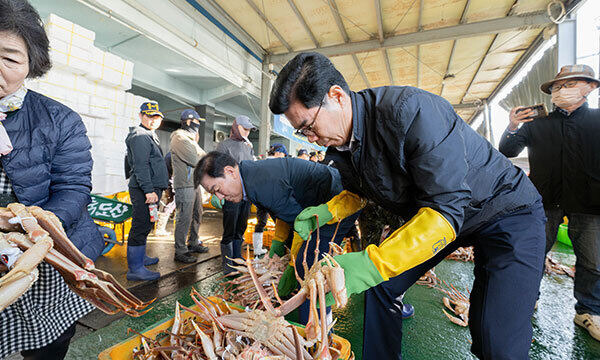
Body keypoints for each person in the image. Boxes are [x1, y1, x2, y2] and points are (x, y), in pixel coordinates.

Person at [269, 52, 546, 359]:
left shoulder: (410, 112)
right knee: (381, 286)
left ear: (336, 96)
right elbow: (363, 191)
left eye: (308, 126)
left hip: (503, 210)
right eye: (300, 132)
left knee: (495, 338)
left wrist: (373, 263)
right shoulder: (338, 146)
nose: (310, 138)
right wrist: (331, 210)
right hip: (437, 216)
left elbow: (447, 207)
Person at [0, 1, 104, 358]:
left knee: (49, 344)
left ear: (32, 64)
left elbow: (74, 187)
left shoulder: (60, 119)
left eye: (10, 59)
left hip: (46, 257)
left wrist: (45, 230)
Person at [194, 151, 360, 324]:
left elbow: (300, 226)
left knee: (310, 267)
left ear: (230, 171)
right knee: (300, 262)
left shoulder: (260, 183)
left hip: (337, 199)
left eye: (217, 189)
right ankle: (299, 307)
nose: (220, 197)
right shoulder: (251, 178)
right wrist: (278, 242)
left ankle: (316, 329)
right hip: (312, 204)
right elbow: (284, 211)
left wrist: (291, 265)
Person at [499, 64, 600, 340]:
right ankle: (527, 299)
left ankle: (588, 311)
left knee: (592, 260)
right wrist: (512, 125)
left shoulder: (597, 120)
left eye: (569, 85)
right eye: (557, 87)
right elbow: (507, 150)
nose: (560, 91)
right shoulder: (538, 124)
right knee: (533, 255)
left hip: (589, 202)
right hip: (544, 200)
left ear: (589, 87)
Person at [125, 101, 169, 281]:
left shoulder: (149, 135)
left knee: (145, 225)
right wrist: (149, 190)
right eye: (149, 116)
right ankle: (135, 269)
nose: (153, 120)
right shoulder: (141, 136)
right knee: (140, 225)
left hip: (149, 188)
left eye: (156, 117)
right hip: (145, 189)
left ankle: (141, 257)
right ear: (141, 116)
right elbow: (141, 166)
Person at [214, 115, 255, 273]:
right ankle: (227, 263)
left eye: (249, 130)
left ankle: (238, 258)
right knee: (229, 229)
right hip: (231, 194)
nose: (247, 132)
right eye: (244, 129)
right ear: (235, 127)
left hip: (246, 195)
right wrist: (217, 191)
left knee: (241, 227)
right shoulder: (224, 146)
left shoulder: (248, 146)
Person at [170, 109, 208, 263]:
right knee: (184, 217)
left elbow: (204, 156)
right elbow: (195, 159)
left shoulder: (190, 139)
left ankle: (193, 242)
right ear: (187, 121)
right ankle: (180, 251)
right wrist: (201, 157)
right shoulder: (179, 138)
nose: (198, 125)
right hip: (185, 184)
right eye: (196, 122)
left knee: (198, 212)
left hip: (194, 183)